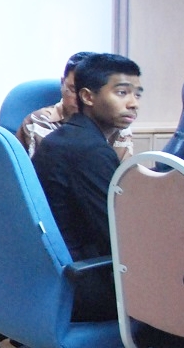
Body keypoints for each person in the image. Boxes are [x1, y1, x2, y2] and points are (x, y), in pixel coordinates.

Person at [32, 52, 142, 321]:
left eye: (137, 94)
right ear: (88, 97)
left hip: (52, 278)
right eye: (121, 92)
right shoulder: (89, 151)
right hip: (83, 283)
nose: (133, 103)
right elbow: (117, 235)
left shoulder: (62, 138)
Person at [17, 51, 133, 161]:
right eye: (73, 90)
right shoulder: (37, 123)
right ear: (62, 83)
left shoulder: (116, 125)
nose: (80, 99)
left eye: (89, 93)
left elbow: (123, 172)